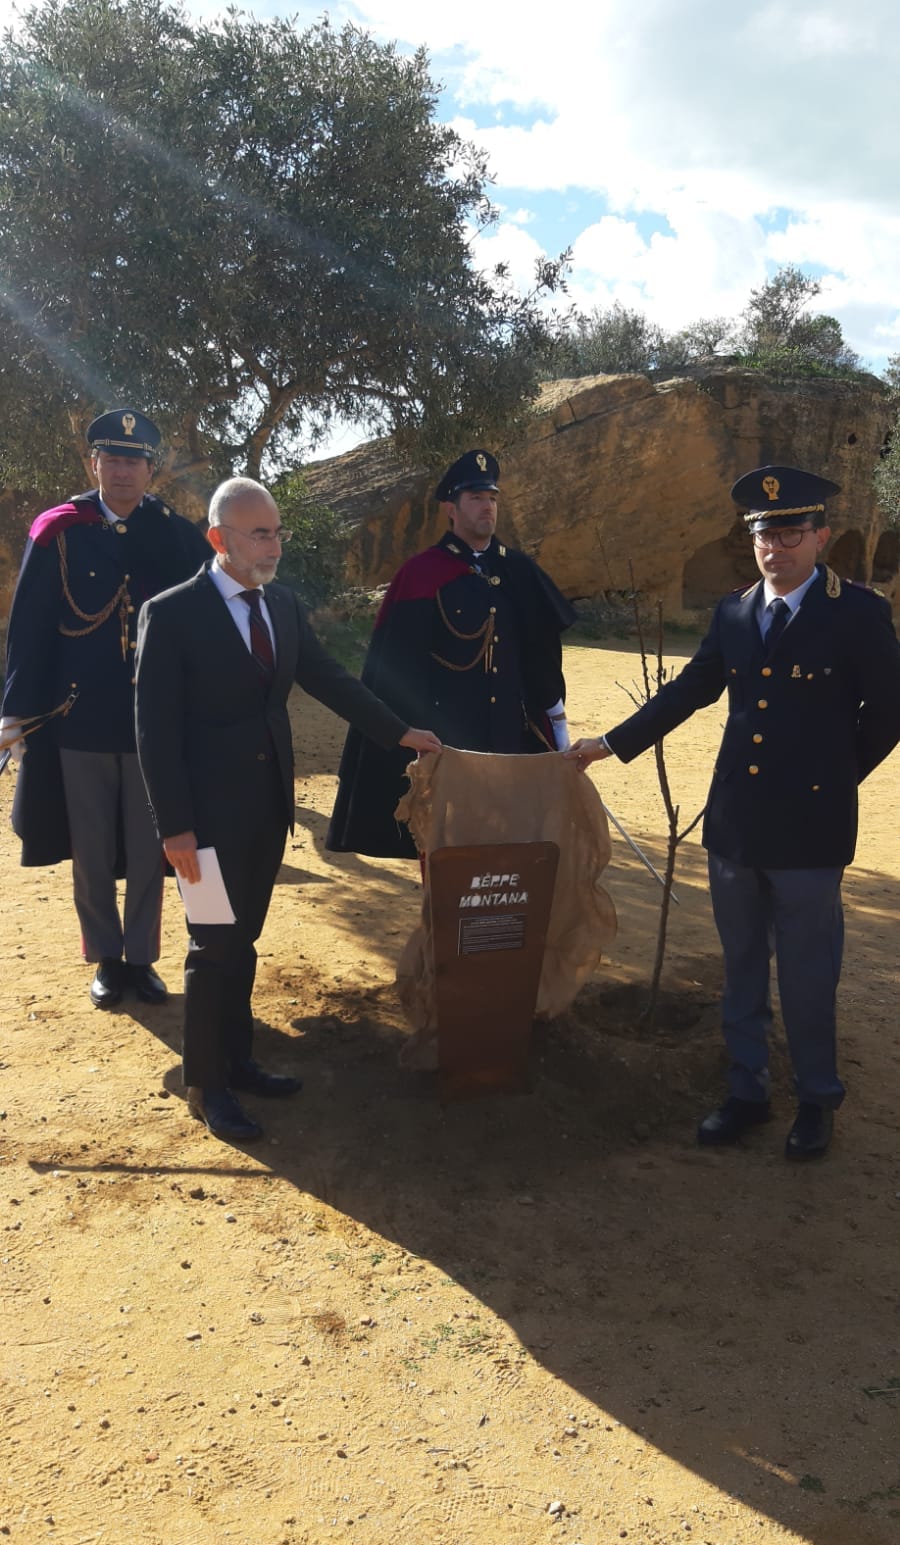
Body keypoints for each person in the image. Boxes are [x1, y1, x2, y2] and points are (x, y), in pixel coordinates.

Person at [567, 465, 900, 1161]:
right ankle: (746, 1089)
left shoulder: (858, 613)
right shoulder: (736, 612)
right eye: (762, 537)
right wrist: (610, 743)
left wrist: (835, 780)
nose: (774, 550)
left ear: (820, 538)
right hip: (737, 823)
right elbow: (690, 689)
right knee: (742, 962)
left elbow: (887, 714)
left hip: (811, 829)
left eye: (789, 535)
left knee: (809, 971)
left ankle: (816, 1098)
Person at [134, 477, 441, 1143]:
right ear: (220, 540)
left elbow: (329, 677)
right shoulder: (172, 613)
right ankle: (206, 1083)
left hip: (266, 814)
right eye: (260, 533)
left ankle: (238, 1060)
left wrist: (400, 732)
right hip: (199, 831)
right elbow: (152, 731)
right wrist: (175, 829)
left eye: (278, 531)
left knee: (240, 942)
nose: (275, 545)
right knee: (212, 945)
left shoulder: (283, 605)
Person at [0, 407, 209, 1008]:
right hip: (78, 717)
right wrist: (17, 709)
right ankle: (106, 960)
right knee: (90, 849)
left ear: (152, 470)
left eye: (134, 461)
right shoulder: (59, 530)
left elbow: (207, 616)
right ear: (93, 464)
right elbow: (31, 626)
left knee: (153, 846)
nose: (123, 471)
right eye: (112, 459)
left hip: (153, 724)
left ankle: (141, 959)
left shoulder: (174, 534)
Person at [326, 449, 577, 859]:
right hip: (449, 748)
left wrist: (558, 734)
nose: (487, 507)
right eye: (476, 498)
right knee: (447, 858)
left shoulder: (519, 571)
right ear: (451, 508)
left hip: (510, 744)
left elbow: (543, 658)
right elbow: (395, 670)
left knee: (510, 854)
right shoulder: (421, 574)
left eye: (492, 498)